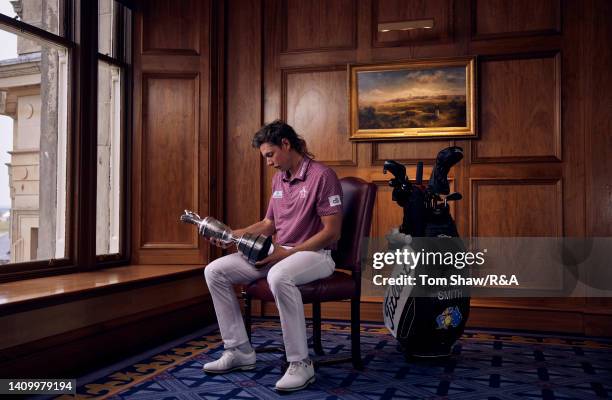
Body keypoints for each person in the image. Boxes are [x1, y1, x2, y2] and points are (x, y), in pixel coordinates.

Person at [202, 120, 343, 392]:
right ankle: (239, 350)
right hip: (279, 253)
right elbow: (269, 225)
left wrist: (284, 254)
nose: (268, 162)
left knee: (279, 275)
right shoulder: (279, 178)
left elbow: (331, 233)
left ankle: (300, 363)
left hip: (315, 255)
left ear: (286, 145)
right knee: (215, 270)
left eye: (270, 155)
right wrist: (231, 234)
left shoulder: (323, 176)